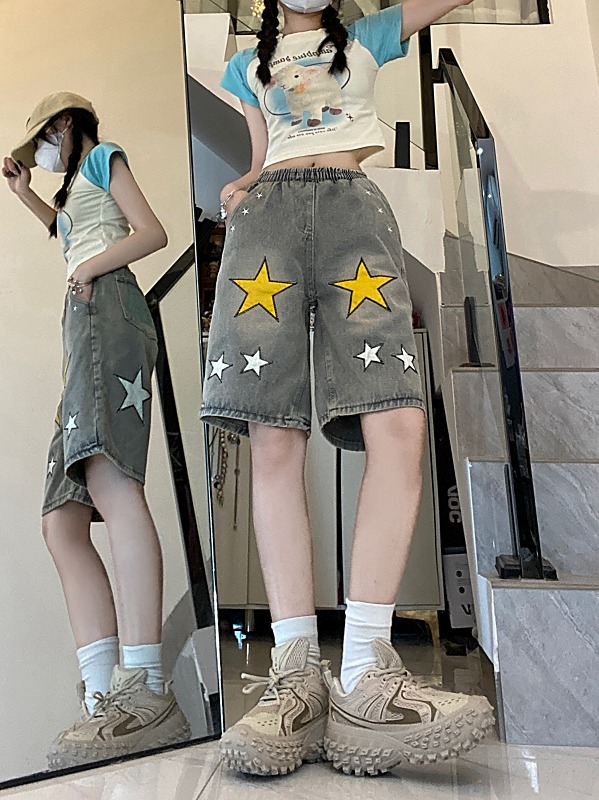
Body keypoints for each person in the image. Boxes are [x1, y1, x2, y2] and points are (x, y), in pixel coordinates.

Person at [200, 0, 494, 778]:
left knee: (398, 420)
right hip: (265, 222)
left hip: (352, 213)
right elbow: (263, 152)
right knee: (273, 433)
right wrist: (243, 184)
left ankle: (365, 671)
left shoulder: (367, 34)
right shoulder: (245, 65)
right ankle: (294, 676)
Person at [3, 92, 190, 769]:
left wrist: (86, 269)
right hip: (84, 319)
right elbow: (70, 232)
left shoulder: (104, 157)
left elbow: (151, 232)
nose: (40, 153)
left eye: (41, 141)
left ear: (63, 126)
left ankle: (145, 685)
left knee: (111, 481)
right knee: (61, 519)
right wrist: (25, 194)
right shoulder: (74, 186)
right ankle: (105, 692)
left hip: (106, 310)